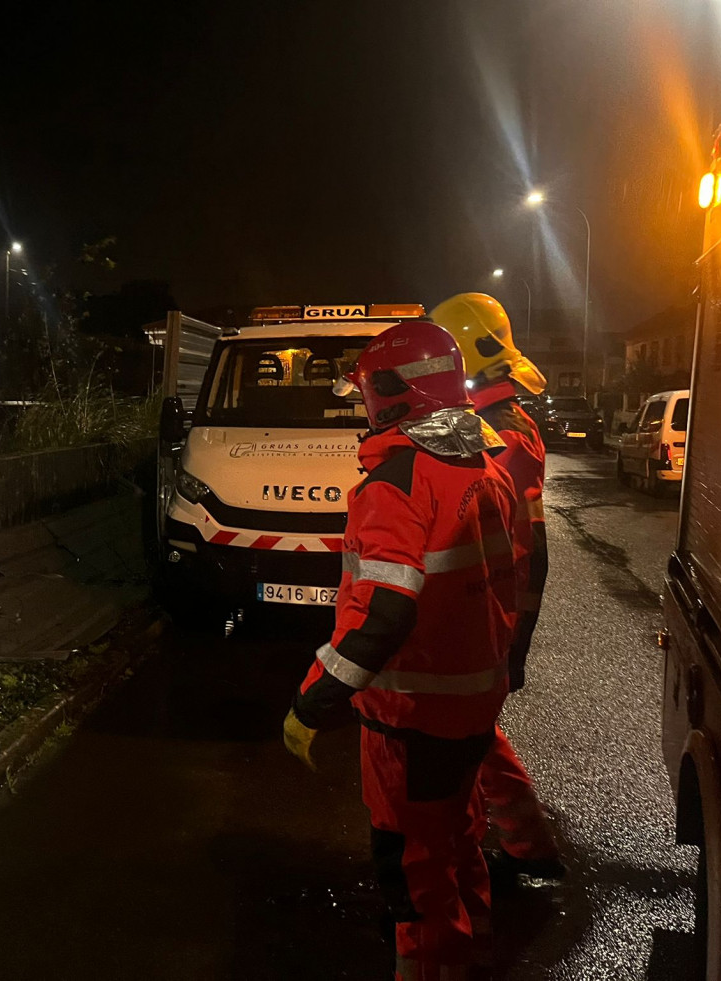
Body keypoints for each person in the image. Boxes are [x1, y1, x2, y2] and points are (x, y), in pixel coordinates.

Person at [283, 319, 518, 981]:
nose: (363, 405)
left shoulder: (393, 485)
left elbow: (381, 615)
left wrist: (312, 701)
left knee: (412, 870)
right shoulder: (486, 468)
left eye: (365, 392)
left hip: (410, 716)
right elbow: (516, 577)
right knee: (459, 839)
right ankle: (471, 956)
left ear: (392, 394)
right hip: (473, 706)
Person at [430, 292, 563, 881]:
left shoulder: (491, 432)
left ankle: (510, 852)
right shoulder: (508, 419)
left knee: (463, 734)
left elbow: (464, 520)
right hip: (497, 595)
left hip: (486, 600)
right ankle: (524, 843)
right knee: (476, 730)